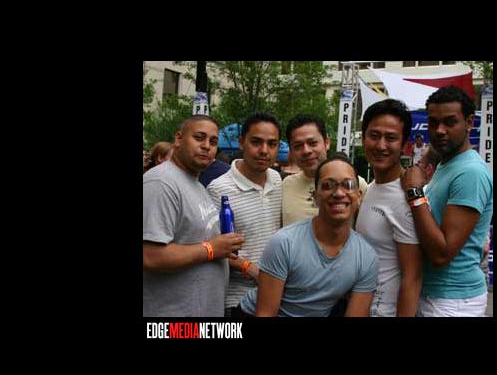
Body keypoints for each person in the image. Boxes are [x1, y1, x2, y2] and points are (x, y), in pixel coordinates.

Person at [237, 154, 378, 317]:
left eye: (348, 185)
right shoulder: (284, 243)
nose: (339, 193)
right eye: (328, 185)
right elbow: (265, 313)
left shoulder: (366, 257)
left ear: (359, 196)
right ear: (315, 197)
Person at [402, 85, 493, 317]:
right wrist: (426, 160)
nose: (440, 130)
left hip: (452, 301)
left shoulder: (470, 173)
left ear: (469, 122)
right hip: (438, 296)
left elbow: (441, 253)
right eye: (433, 123)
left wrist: (414, 192)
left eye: (450, 122)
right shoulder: (449, 162)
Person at [143, 115, 245, 317]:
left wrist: (223, 247)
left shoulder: (195, 183)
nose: (206, 146)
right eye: (199, 138)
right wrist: (211, 249)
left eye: (213, 142)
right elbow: (150, 256)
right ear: (179, 139)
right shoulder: (161, 183)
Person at [207, 112, 283, 317]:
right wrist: (247, 267)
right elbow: (209, 249)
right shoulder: (219, 189)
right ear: (242, 142)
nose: (264, 150)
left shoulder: (277, 180)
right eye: (256, 142)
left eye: (272, 144)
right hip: (237, 300)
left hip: (276, 298)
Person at [356, 99, 423, 316]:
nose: (381, 145)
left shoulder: (404, 198)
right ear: (363, 138)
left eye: (391, 138)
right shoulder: (371, 187)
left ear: (404, 145)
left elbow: (412, 277)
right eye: (374, 136)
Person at [282, 114, 368, 227]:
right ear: (291, 151)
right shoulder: (285, 186)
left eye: (312, 143)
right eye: (298, 146)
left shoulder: (355, 184)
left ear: (326, 143)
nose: (306, 151)